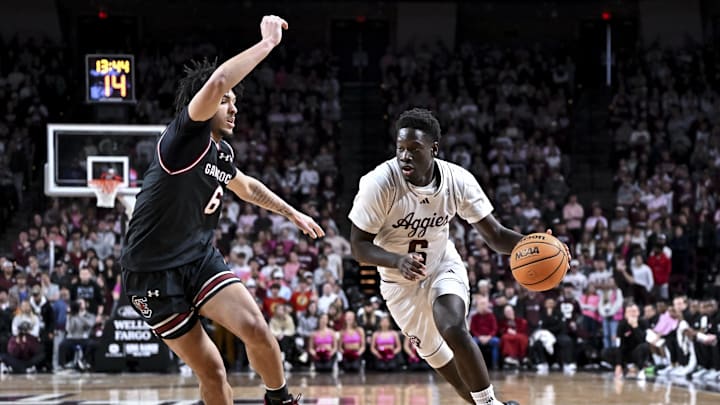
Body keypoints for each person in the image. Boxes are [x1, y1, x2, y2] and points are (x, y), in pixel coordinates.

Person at [120, 15, 323, 405]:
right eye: (227, 101)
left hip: (197, 258)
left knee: (257, 329)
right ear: (206, 103)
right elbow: (216, 82)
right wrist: (267, 45)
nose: (233, 108)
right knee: (213, 371)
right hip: (151, 272)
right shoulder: (182, 138)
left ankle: (279, 400)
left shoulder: (222, 152)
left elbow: (246, 187)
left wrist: (292, 213)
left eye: (235, 102)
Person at [349, 108, 541, 405]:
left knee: (452, 326)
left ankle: (491, 404)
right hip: (399, 285)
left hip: (441, 265)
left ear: (434, 149)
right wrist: (396, 260)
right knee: (454, 376)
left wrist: (538, 246)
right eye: (400, 148)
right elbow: (358, 246)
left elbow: (495, 235)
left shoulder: (457, 180)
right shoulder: (379, 183)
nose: (405, 156)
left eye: (414, 149)